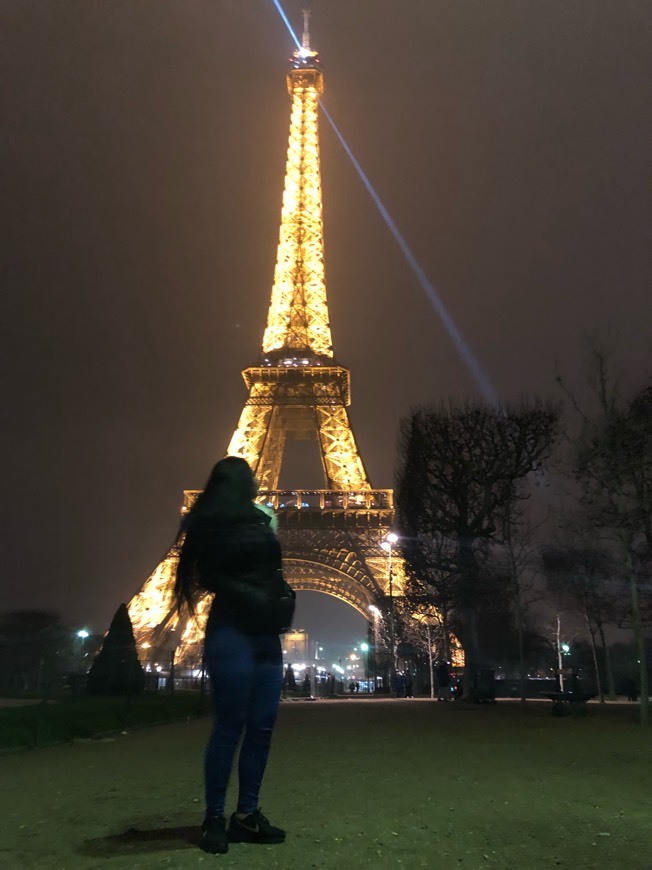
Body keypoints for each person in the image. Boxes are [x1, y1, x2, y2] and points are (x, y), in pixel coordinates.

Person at [175, 456, 296, 855]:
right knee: (230, 726)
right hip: (231, 630)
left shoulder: (264, 519)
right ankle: (214, 816)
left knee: (261, 726)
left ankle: (246, 814)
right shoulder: (210, 523)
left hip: (264, 631)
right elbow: (204, 575)